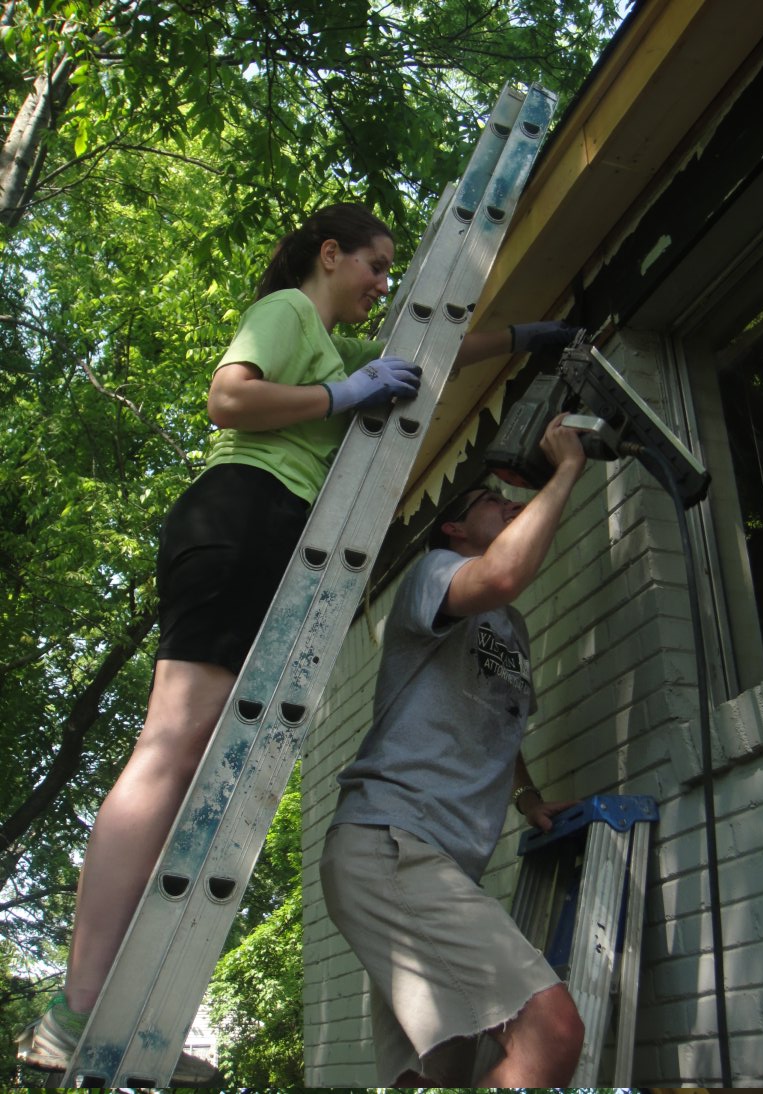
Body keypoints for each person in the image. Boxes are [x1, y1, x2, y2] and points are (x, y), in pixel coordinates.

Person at [17, 196, 572, 1082]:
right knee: (170, 747)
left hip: (271, 536)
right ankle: (76, 1009)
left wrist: (527, 337)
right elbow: (228, 398)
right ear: (329, 253)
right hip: (242, 518)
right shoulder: (286, 312)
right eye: (376, 266)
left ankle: (119, 1009)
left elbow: (435, 353)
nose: (383, 285)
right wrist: (337, 398)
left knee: (192, 761)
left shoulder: (331, 344)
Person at [320, 411, 588, 1087]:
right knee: (550, 1032)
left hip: (433, 863)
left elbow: (501, 716)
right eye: (490, 500)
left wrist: (526, 798)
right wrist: (568, 470)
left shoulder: (513, 628)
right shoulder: (433, 575)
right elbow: (499, 576)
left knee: (433, 1077)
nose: (508, 503)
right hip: (392, 843)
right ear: (453, 529)